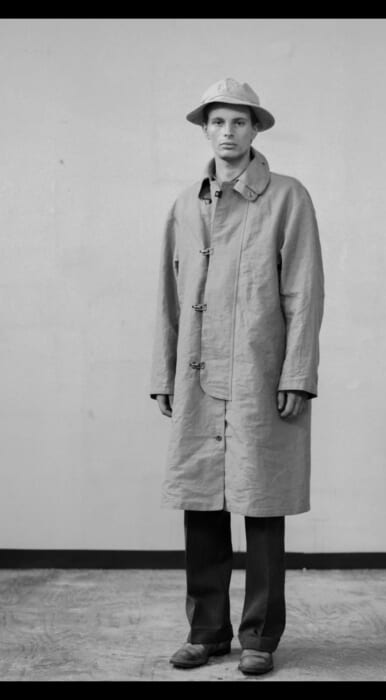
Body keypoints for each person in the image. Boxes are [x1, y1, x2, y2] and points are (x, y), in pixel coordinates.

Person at [149, 77, 325, 675]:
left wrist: (297, 372)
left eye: (239, 122)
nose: (228, 132)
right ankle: (206, 632)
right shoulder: (185, 204)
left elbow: (304, 290)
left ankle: (260, 638)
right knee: (201, 503)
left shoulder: (287, 197)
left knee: (262, 503)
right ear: (205, 130)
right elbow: (168, 295)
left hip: (259, 373)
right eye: (219, 122)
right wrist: (164, 372)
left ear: (255, 129)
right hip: (197, 374)